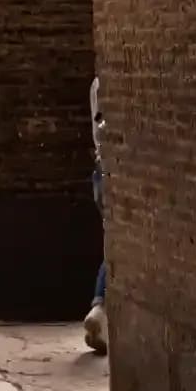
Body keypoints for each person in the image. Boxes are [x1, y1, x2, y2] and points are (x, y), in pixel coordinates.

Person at [85, 75, 109, 354]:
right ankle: (100, 308)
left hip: (100, 170)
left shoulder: (97, 84)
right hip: (117, 171)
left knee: (112, 243)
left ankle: (100, 311)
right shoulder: (113, 82)